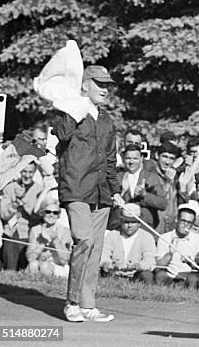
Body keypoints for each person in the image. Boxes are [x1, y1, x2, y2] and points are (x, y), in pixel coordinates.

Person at [52, 65, 123, 322]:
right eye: (99, 83)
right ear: (85, 85)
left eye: (108, 85)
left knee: (95, 247)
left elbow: (111, 161)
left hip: (102, 193)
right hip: (76, 189)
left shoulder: (106, 120)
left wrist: (116, 191)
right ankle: (71, 303)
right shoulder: (68, 111)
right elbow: (61, 134)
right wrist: (76, 108)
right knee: (83, 240)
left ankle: (88, 305)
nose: (105, 89)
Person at [0, 161, 43, 270]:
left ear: (35, 172)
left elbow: (37, 216)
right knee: (10, 244)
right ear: (19, 171)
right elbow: (4, 215)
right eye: (24, 171)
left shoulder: (39, 190)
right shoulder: (10, 188)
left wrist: (24, 201)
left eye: (30, 172)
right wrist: (15, 203)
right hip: (11, 232)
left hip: (29, 234)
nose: (27, 175)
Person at [114, 144, 168, 229]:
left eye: (135, 158)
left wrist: (144, 195)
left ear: (141, 159)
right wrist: (123, 192)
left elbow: (163, 204)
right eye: (128, 158)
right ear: (123, 158)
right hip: (121, 226)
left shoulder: (151, 177)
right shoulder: (117, 177)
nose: (131, 162)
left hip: (144, 226)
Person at [100, 204, 156, 284]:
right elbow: (103, 257)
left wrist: (137, 266)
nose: (129, 225)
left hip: (136, 274)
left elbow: (150, 261)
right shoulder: (112, 235)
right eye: (126, 222)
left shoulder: (147, 237)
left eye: (133, 222)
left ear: (139, 223)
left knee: (147, 276)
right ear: (121, 221)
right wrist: (111, 265)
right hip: (114, 272)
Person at [154, 203, 199, 288]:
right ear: (176, 220)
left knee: (193, 278)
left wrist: (191, 262)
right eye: (183, 220)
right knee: (160, 275)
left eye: (189, 222)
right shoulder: (164, 238)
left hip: (188, 277)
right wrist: (170, 254)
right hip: (169, 276)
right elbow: (159, 264)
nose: (185, 224)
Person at [26, 196, 72, 277]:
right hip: (39, 263)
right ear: (42, 212)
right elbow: (30, 258)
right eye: (48, 212)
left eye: (55, 212)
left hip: (58, 266)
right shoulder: (35, 230)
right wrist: (42, 244)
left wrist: (55, 240)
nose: (51, 215)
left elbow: (65, 260)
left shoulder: (65, 231)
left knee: (45, 266)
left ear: (58, 215)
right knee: (33, 264)